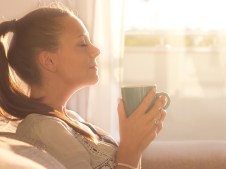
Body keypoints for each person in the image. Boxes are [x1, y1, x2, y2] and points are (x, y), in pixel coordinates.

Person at [0, 5, 168, 169]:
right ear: (49, 61)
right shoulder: (42, 128)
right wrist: (131, 148)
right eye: (82, 43)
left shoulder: (71, 119)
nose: (96, 51)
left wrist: (136, 144)